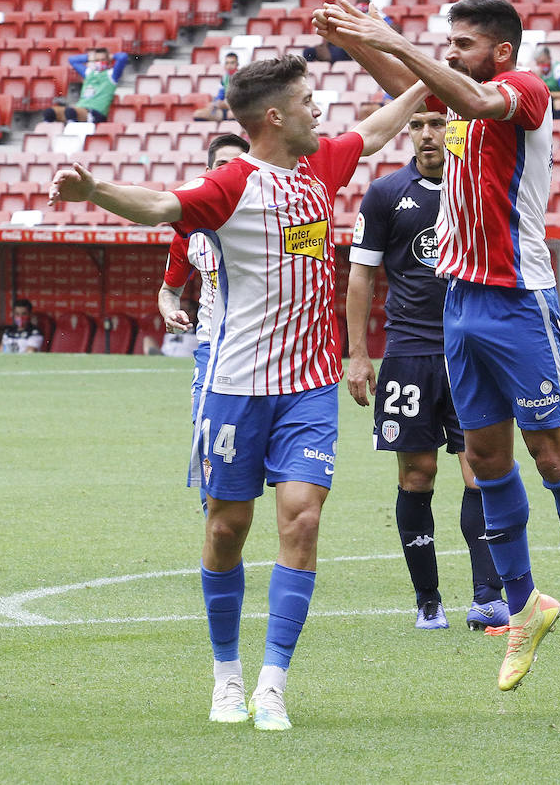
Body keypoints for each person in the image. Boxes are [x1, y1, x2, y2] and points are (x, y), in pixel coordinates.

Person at [51, 56, 431, 730]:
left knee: (303, 520)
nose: (321, 111)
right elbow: (163, 207)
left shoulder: (321, 165)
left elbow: (374, 131)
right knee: (227, 529)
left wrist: (434, 81)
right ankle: (225, 675)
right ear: (276, 117)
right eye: (309, 101)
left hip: (309, 386)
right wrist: (94, 191)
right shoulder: (231, 184)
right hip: (233, 386)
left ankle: (273, 683)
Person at [317, 0, 560, 694]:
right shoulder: (456, 104)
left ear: (501, 52)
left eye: (462, 43)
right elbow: (412, 90)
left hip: (519, 302)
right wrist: (354, 42)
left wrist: (388, 35)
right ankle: (523, 609)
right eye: (446, 42)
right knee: (483, 460)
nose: (449, 52)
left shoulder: (523, 91)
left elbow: (474, 100)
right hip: (461, 303)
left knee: (551, 454)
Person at [345, 104, 508, 632]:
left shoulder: (476, 185)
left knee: (479, 473)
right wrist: (359, 354)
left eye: (437, 123)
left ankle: (487, 596)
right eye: (416, 124)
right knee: (418, 474)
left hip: (471, 351)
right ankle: (428, 601)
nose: (427, 134)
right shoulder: (386, 193)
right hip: (409, 355)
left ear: (454, 129)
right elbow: (361, 277)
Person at [158, 133, 250, 422]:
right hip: (212, 344)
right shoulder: (190, 232)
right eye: (222, 165)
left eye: (236, 165)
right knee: (205, 429)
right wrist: (170, 312)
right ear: (209, 174)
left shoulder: (270, 222)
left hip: (260, 348)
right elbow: (168, 291)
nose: (228, 172)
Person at [45, 48, 130, 124]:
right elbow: (72, 60)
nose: (99, 62)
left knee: (71, 112)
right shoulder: (89, 73)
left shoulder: (112, 75)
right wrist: (89, 57)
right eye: (97, 60)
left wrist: (112, 56)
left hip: (96, 113)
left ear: (108, 60)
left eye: (103, 59)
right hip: (80, 109)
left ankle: (73, 130)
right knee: (49, 113)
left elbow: (123, 57)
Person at [193, 53, 240, 122]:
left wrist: (225, 104)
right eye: (227, 63)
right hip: (224, 110)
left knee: (231, 114)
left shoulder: (242, 78)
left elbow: (242, 102)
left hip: (237, 110)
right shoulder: (224, 79)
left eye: (232, 63)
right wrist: (214, 104)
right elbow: (220, 95)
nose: (229, 66)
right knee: (198, 114)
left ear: (237, 64)